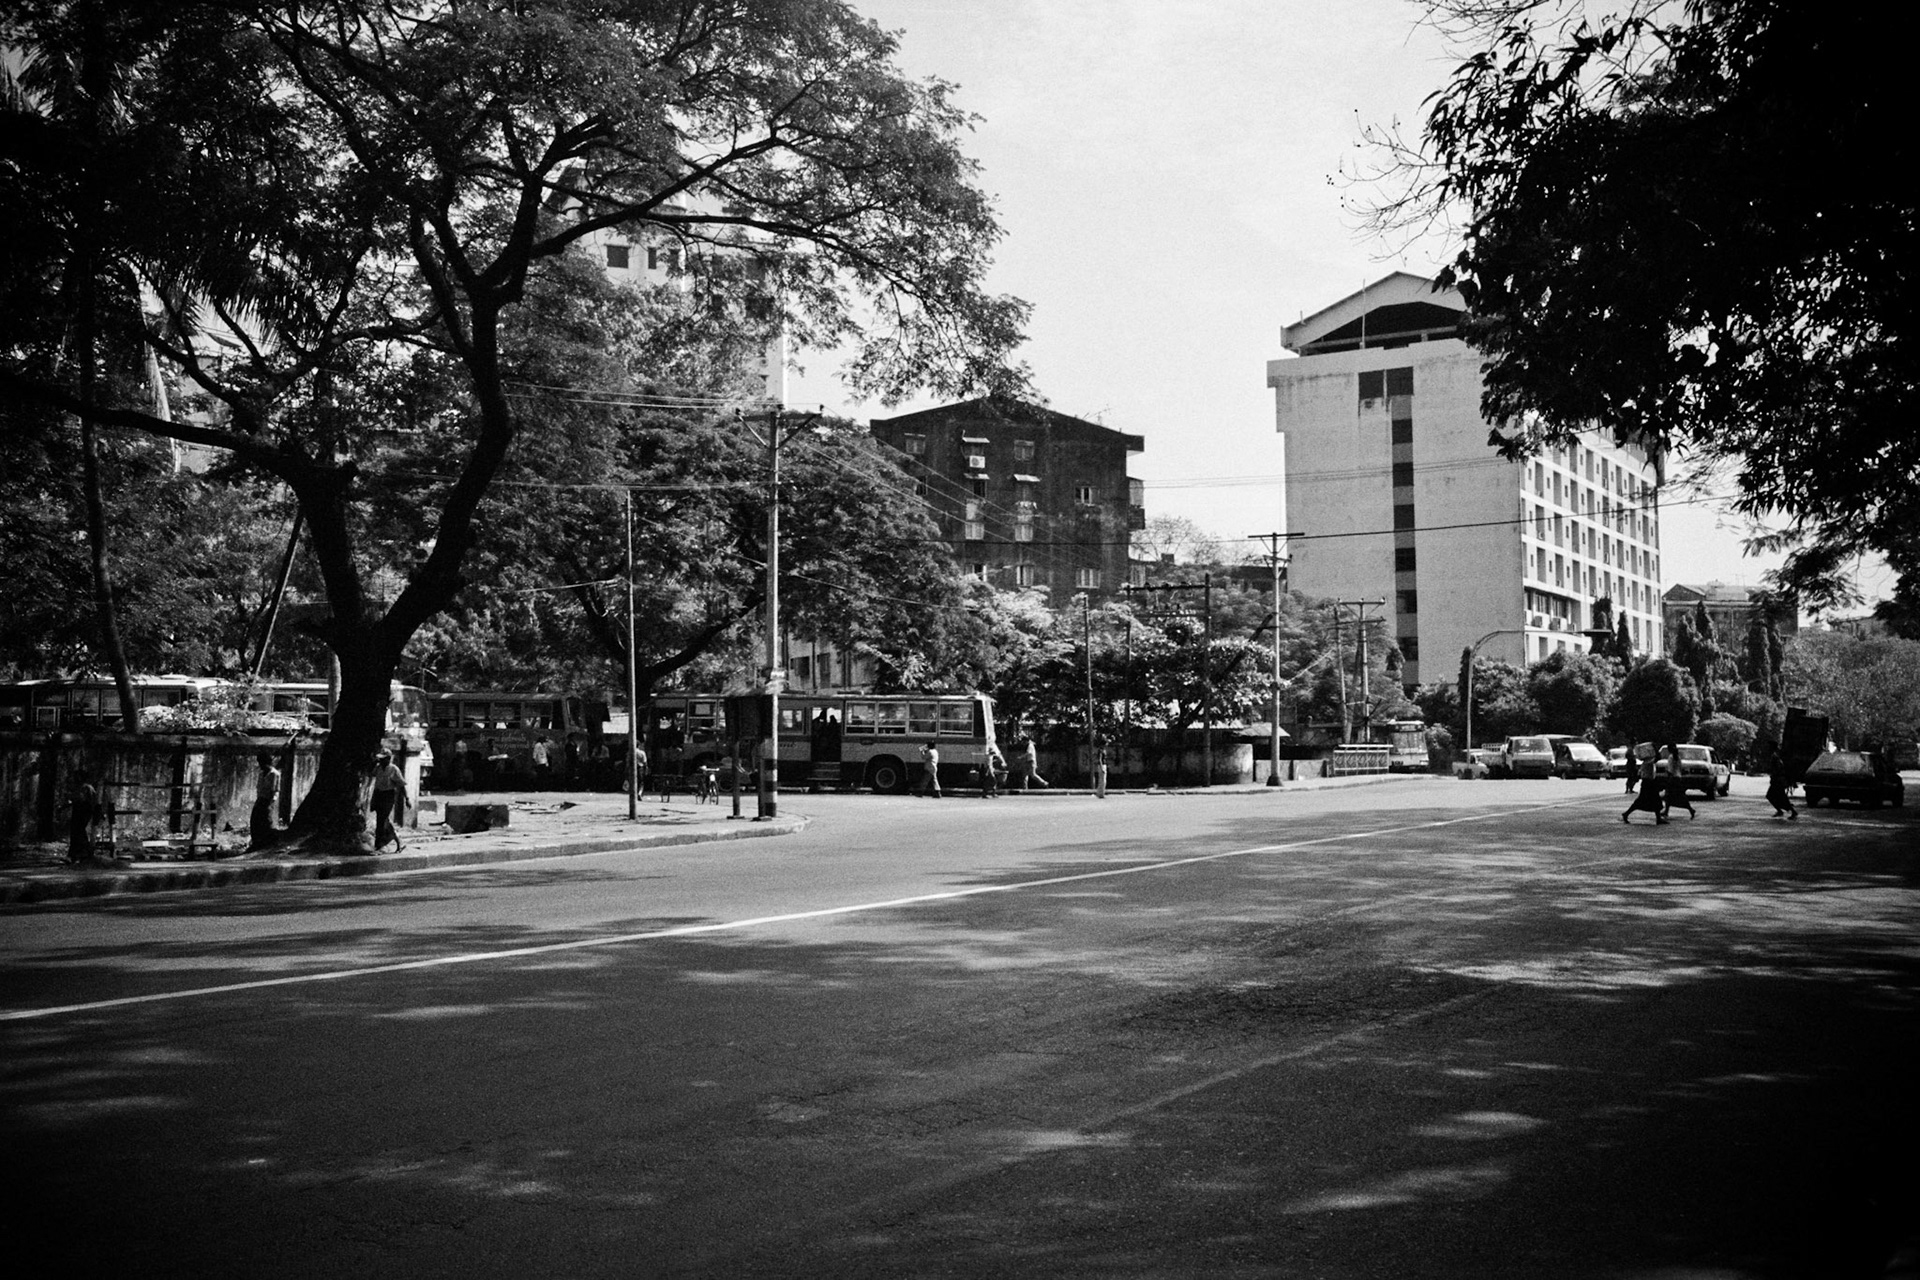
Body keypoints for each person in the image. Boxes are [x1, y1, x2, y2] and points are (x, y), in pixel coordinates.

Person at [371, 749, 408, 852]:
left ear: (388, 759)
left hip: (388, 795)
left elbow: (401, 785)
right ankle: (398, 840)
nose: (381, 761)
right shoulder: (378, 768)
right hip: (378, 794)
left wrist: (407, 798)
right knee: (382, 819)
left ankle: (380, 845)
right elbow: (372, 775)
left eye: (383, 759)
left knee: (382, 820)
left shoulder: (393, 769)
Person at [1622, 747, 1668, 824]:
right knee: (1646, 800)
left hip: (1649, 782)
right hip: (1648, 783)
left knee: (1655, 800)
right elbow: (1658, 758)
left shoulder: (1647, 761)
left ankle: (1658, 818)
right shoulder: (1649, 761)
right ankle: (1626, 814)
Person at [249, 751, 282, 852]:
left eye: (262, 763)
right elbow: (258, 787)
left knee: (266, 821)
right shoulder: (261, 773)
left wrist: (271, 802)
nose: (260, 765)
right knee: (254, 819)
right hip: (260, 799)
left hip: (268, 800)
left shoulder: (274, 774)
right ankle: (256, 842)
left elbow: (276, 790)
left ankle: (267, 843)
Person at [66, 772, 99, 863]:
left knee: (79, 831)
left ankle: (82, 853)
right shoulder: (82, 788)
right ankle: (74, 855)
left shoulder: (86, 788)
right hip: (79, 812)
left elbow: (85, 801)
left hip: (82, 812)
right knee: (76, 832)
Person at [1663, 743, 1697, 820]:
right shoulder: (1678, 757)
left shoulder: (1671, 757)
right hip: (1678, 778)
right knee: (1679, 795)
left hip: (1673, 779)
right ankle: (1667, 811)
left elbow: (1670, 770)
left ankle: (1690, 809)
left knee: (1668, 795)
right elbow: (1680, 768)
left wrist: (1668, 779)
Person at [1766, 749, 1799, 819]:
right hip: (1777, 781)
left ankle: (1790, 812)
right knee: (1780, 797)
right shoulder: (1776, 757)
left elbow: (1778, 770)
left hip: (1778, 782)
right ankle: (1784, 811)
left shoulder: (1775, 758)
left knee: (1772, 796)